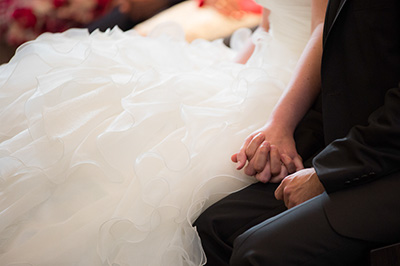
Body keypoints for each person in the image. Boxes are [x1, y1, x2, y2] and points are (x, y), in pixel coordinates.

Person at [0, 0, 320, 265]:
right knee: (100, 101)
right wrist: (225, 76)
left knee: (153, 164)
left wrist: (280, 122)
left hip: (290, 85)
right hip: (255, 67)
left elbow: (320, 32)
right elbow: (268, 26)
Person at [194, 0, 400, 265]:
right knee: (212, 226)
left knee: (254, 251)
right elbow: (344, 74)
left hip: (382, 164)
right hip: (351, 142)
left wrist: (325, 173)